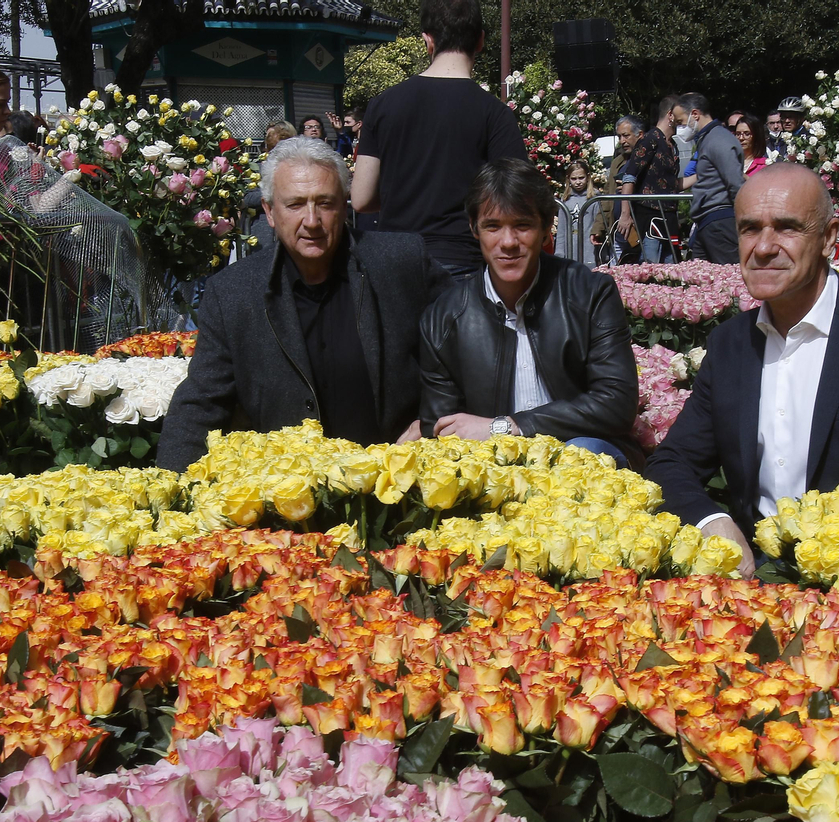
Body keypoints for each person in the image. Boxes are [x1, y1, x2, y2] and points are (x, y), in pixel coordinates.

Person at [646, 163, 839, 577]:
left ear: (829, 238)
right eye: (750, 228)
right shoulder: (730, 345)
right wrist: (713, 522)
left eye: (787, 228)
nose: (763, 247)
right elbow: (672, 463)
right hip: (753, 577)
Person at [159, 136, 451, 470]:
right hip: (288, 499)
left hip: (399, 482)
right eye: (295, 204)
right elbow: (200, 403)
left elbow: (466, 351)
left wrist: (431, 418)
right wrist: (172, 497)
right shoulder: (234, 293)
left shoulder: (401, 263)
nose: (311, 221)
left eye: (324, 203)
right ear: (269, 212)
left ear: (344, 205)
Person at [418, 159, 642, 468]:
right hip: (491, 468)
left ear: (546, 226)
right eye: (493, 226)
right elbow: (442, 430)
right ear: (474, 228)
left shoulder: (589, 292)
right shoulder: (443, 318)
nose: (508, 242)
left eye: (522, 225)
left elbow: (617, 404)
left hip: (581, 459)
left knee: (580, 453)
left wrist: (506, 426)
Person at [351, 0, 529, 276]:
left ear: (427, 41)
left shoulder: (382, 105)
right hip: (461, 259)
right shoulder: (494, 113)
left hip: (393, 258)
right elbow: (515, 195)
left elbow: (361, 198)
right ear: (480, 40)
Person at [618, 97, 685, 263]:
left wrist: (704, 175)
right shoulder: (650, 139)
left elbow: (672, 185)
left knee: (671, 272)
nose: (684, 119)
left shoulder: (672, 145)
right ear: (670, 115)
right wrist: (625, 214)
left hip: (668, 219)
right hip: (649, 219)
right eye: (681, 114)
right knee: (650, 270)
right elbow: (630, 176)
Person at [679, 92, 744, 264]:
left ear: (695, 114)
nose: (680, 127)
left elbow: (735, 182)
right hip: (708, 221)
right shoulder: (709, 138)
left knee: (729, 280)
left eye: (680, 122)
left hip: (720, 221)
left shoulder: (719, 140)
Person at [595, 115, 641, 264]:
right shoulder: (616, 162)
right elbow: (606, 198)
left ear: (639, 134)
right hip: (618, 231)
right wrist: (598, 228)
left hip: (640, 228)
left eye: (626, 136)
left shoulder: (646, 159)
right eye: (620, 136)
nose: (622, 141)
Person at [561, 160, 599, 265]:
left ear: (587, 177)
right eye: (574, 179)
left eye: (581, 178)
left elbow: (598, 225)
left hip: (589, 249)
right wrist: (559, 253)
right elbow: (561, 230)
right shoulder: (565, 200)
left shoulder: (594, 198)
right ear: (568, 179)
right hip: (570, 248)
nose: (578, 182)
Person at [735, 113, 768, 178]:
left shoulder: (765, 165)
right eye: (738, 134)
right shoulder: (730, 161)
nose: (741, 138)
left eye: (747, 134)